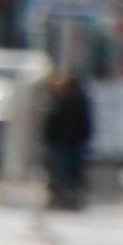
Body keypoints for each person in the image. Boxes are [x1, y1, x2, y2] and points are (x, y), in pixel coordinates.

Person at [41, 71, 94, 210]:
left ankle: (69, 199)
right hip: (60, 143)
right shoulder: (59, 101)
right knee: (58, 172)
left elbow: (83, 124)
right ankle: (60, 198)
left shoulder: (78, 102)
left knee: (70, 173)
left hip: (71, 143)